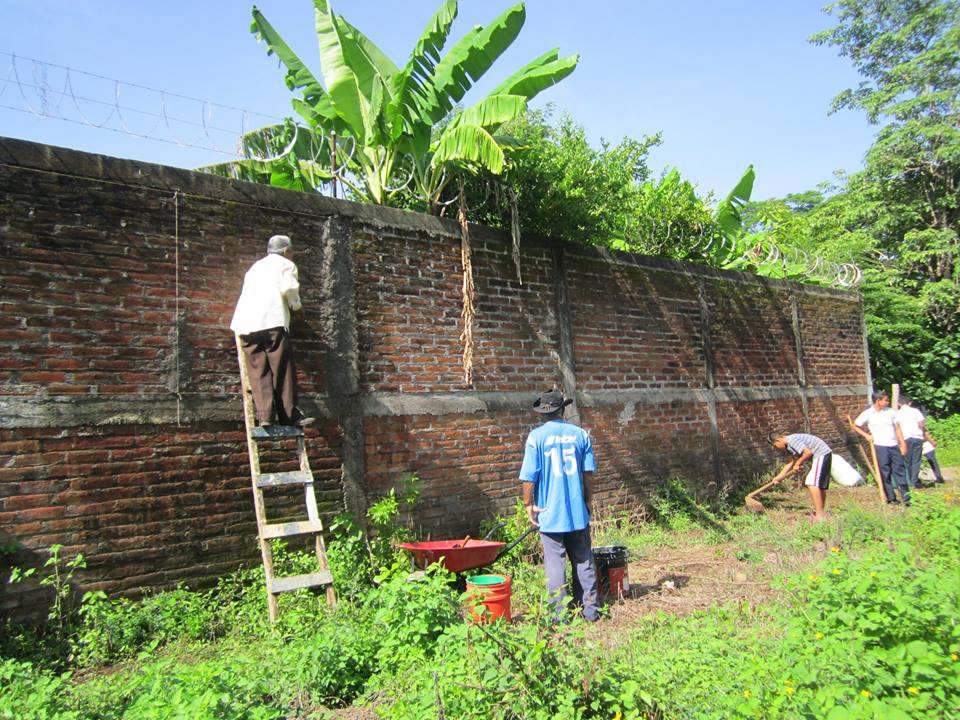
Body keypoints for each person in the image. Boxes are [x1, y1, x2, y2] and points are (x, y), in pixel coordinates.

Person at [519, 388, 599, 622]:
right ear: (563, 409)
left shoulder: (536, 437)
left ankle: (559, 616)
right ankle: (590, 611)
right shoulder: (581, 435)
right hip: (576, 512)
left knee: (555, 564)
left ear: (543, 413)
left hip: (549, 513)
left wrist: (528, 505)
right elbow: (588, 474)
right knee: (584, 559)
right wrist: (586, 501)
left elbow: (528, 477)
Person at [230, 234, 312, 428]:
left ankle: (265, 416)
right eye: (291, 252)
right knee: (282, 368)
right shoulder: (285, 264)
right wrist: (298, 308)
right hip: (272, 321)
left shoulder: (255, 267)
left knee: (258, 369)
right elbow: (289, 289)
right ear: (285, 251)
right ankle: (289, 416)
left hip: (246, 324)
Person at [852, 391, 910, 506]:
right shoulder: (868, 413)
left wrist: (903, 444)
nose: (887, 402)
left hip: (893, 445)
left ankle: (906, 498)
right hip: (880, 446)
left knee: (899, 470)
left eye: (887, 400)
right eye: (885, 400)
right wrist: (866, 436)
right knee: (885, 472)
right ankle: (891, 498)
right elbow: (855, 425)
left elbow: (897, 429)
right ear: (878, 401)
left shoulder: (891, 412)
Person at [768, 432, 833, 520]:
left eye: (775, 446)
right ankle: (820, 511)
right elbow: (790, 463)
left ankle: (820, 514)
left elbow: (807, 452)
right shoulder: (788, 447)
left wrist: (798, 463)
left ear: (779, 440)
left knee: (811, 482)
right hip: (820, 455)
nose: (776, 449)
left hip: (821, 453)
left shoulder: (792, 441)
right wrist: (778, 477)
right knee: (816, 484)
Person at [895, 396, 933, 489]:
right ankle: (914, 481)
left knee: (907, 461)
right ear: (910, 403)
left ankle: (909, 480)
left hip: (905, 439)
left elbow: (896, 427)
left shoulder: (897, 414)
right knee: (916, 460)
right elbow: (922, 424)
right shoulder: (915, 411)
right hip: (917, 437)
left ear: (899, 404)